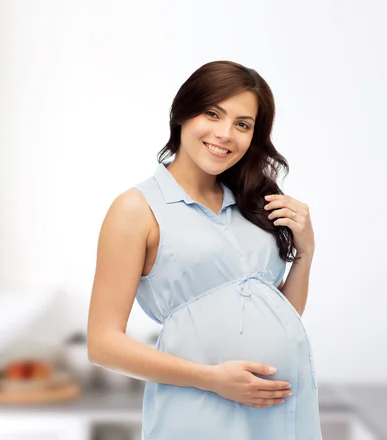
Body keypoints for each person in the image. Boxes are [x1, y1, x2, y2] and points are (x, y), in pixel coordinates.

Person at [87, 60, 321, 440]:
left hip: (281, 411)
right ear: (182, 113)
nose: (225, 134)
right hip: (199, 412)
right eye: (213, 114)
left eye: (242, 124)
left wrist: (305, 255)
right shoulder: (137, 209)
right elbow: (102, 344)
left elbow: (281, 314)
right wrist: (211, 380)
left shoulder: (253, 202)